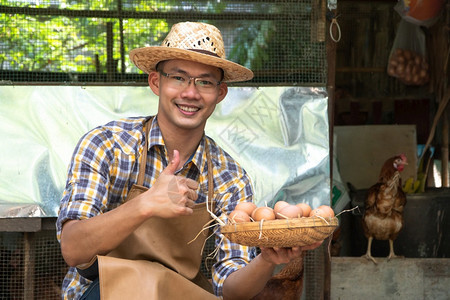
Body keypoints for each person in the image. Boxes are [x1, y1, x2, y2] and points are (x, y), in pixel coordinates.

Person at [57, 21, 322, 300]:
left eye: (205, 82)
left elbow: (231, 290)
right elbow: (73, 250)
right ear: (156, 82)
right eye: (178, 78)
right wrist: (145, 204)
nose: (190, 93)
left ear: (220, 93)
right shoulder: (106, 145)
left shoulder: (229, 177)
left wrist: (267, 260)